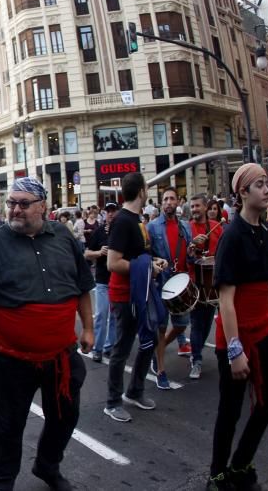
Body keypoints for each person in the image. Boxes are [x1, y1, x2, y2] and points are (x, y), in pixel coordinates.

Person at [0, 178, 94, 491]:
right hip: (10, 357)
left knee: (65, 416)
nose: (15, 210)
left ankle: (48, 466)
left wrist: (87, 327)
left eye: (23, 203)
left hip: (61, 354)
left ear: (43, 206)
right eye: (11, 203)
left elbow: (83, 286)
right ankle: (3, 481)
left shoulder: (63, 236)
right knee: (7, 424)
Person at [206, 164, 268, 490]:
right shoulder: (231, 237)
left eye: (267, 183)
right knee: (230, 412)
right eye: (259, 184)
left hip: (264, 333)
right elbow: (226, 300)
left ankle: (241, 463)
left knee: (267, 402)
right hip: (235, 337)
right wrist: (235, 351)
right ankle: (217, 474)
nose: (266, 189)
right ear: (243, 192)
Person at [105, 172, 162, 423]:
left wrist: (154, 261)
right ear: (141, 192)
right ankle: (113, 401)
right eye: (146, 189)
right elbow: (113, 263)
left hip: (140, 291)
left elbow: (138, 255)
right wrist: (148, 267)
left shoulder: (136, 219)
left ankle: (135, 391)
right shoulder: (122, 220)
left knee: (150, 338)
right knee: (123, 347)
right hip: (124, 295)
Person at [145, 187, 192, 389]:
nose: (169, 202)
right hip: (161, 283)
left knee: (182, 324)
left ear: (178, 202)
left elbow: (188, 256)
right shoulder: (153, 227)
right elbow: (145, 254)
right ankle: (161, 369)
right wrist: (156, 261)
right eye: (165, 199)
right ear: (161, 203)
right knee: (161, 327)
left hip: (180, 284)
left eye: (172, 199)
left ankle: (160, 348)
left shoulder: (186, 227)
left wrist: (193, 251)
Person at [187, 193, 223, 380]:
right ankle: (197, 359)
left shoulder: (216, 228)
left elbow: (223, 253)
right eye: (192, 206)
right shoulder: (187, 228)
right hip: (194, 283)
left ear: (205, 207)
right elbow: (185, 254)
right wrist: (191, 246)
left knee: (207, 322)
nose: (194, 210)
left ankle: (196, 350)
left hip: (212, 284)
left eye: (197, 206)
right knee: (196, 323)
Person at [85, 202, 118, 363]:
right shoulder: (99, 232)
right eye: (108, 211)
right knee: (101, 314)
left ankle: (109, 347)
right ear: (104, 214)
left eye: (113, 211)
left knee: (113, 316)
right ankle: (97, 349)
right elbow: (86, 253)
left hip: (117, 280)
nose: (111, 214)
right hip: (102, 281)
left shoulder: (121, 231)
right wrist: (99, 252)